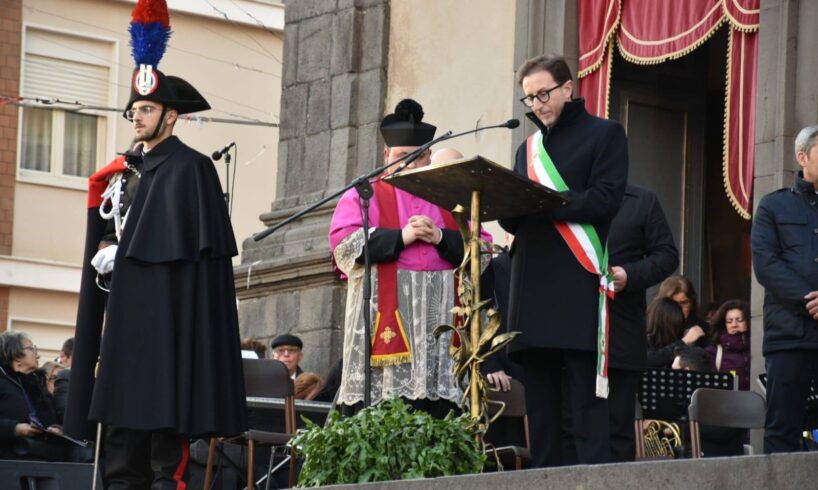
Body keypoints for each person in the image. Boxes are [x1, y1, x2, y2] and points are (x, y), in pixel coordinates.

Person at [64, 2, 247, 486]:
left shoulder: (192, 169)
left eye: (146, 109)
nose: (137, 117)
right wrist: (107, 249)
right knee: (121, 444)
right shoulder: (125, 172)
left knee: (167, 451)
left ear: (171, 116)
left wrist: (123, 254)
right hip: (127, 325)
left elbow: (189, 254)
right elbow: (113, 226)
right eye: (134, 109)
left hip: (169, 327)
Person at [499, 54, 628, 467]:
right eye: (530, 99)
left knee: (585, 405)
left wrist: (547, 203)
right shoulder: (528, 149)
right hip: (532, 287)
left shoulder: (605, 134)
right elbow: (517, 220)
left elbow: (606, 199)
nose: (537, 104)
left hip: (576, 283)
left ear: (568, 88)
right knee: (541, 406)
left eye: (543, 94)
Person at [329, 99, 489, 418]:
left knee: (438, 410)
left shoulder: (449, 194)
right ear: (386, 156)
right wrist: (402, 237)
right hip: (385, 320)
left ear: (429, 156)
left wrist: (440, 237)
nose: (411, 165)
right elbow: (344, 245)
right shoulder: (365, 193)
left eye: (418, 157)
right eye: (403, 157)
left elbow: (482, 251)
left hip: (440, 323)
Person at [751, 124, 818, 454]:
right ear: (802, 156)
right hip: (789, 335)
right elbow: (766, 265)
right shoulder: (773, 206)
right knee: (783, 428)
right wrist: (809, 298)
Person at [606, 184, 679, 462]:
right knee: (572, 427)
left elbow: (667, 254)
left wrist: (630, 274)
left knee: (619, 429)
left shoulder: (642, 201)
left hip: (621, 332)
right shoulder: (568, 198)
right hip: (573, 334)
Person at [0, 331, 63, 460]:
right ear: (16, 355)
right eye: (31, 348)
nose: (37, 354)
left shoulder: (37, 383)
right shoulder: (2, 381)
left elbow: (53, 416)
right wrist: (15, 428)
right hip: (8, 462)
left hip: (41, 459)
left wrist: (55, 428)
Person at [705, 300, 751, 390]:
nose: (734, 325)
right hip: (727, 402)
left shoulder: (758, 346)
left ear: (748, 322)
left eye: (740, 320)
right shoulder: (714, 352)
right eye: (729, 321)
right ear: (724, 324)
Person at [646, 297, 702, 368]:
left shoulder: (673, 339)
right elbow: (650, 359)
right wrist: (684, 341)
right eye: (674, 327)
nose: (676, 331)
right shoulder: (642, 338)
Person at [658, 275, 708, 347]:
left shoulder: (703, 329)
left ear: (692, 303)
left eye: (684, 303)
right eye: (673, 304)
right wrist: (684, 341)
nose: (679, 309)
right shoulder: (653, 329)